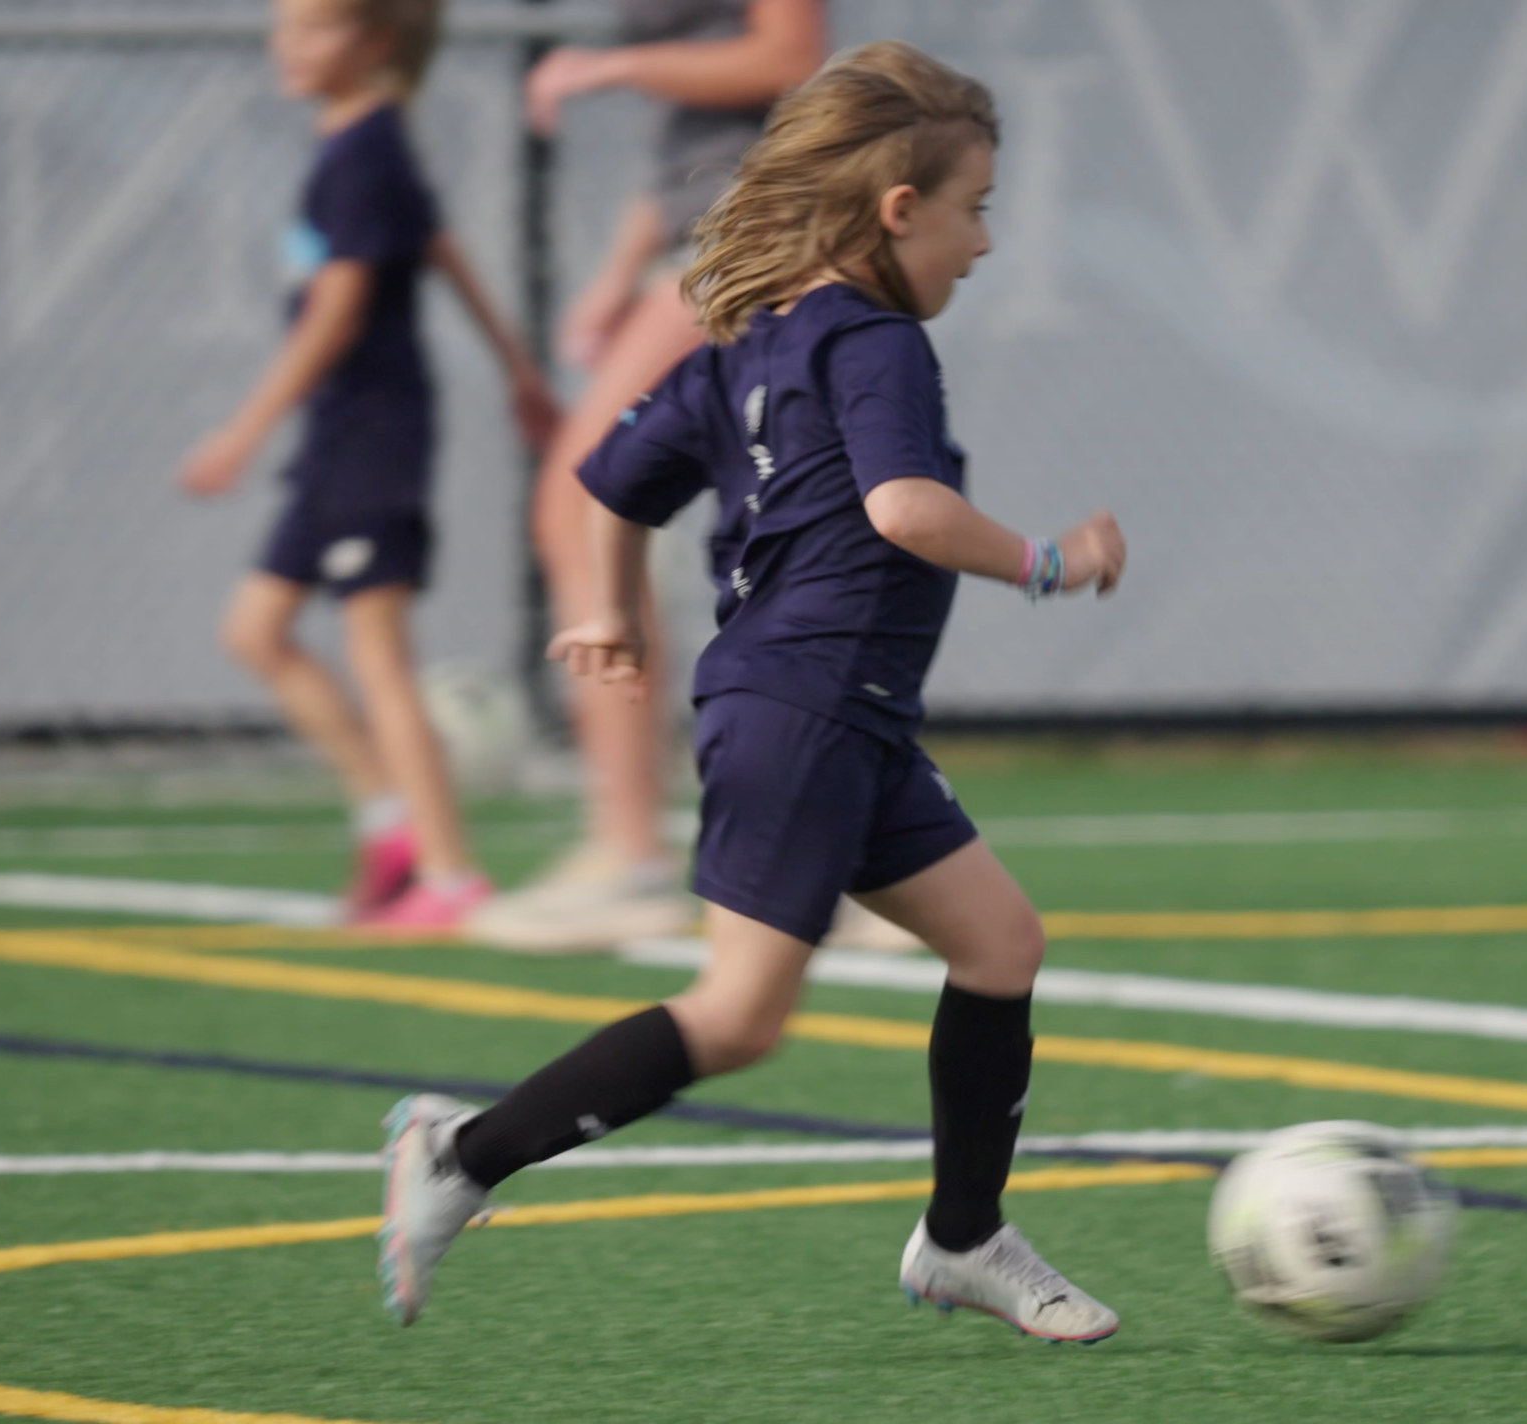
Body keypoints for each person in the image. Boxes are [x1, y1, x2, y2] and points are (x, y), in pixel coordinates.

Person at [378, 42, 1131, 1341]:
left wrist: (605, 603)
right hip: (807, 705)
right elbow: (904, 507)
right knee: (735, 1019)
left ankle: (963, 1238)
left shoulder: (751, 341)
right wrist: (1050, 562)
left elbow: (608, 483)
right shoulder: (877, 341)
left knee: (999, 944)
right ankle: (461, 1154)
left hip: (839, 711)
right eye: (975, 209)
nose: (985, 243)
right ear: (900, 211)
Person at [180, 0, 558, 927]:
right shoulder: (360, 143)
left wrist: (243, 430)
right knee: (257, 629)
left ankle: (449, 873)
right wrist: (517, 368)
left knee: (380, 653)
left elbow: (340, 307)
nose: (287, 44)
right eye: (285, 26)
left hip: (371, 434)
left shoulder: (365, 150)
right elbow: (442, 249)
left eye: (312, 28)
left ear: (375, 41)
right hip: (336, 437)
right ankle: (392, 821)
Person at [464, 0, 832, 951]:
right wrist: (617, 273)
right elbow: (688, 144)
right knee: (776, 540)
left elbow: (787, 54)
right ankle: (843, 859)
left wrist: (606, 69)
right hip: (710, 242)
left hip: (759, 240)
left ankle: (631, 855)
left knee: (587, 506)